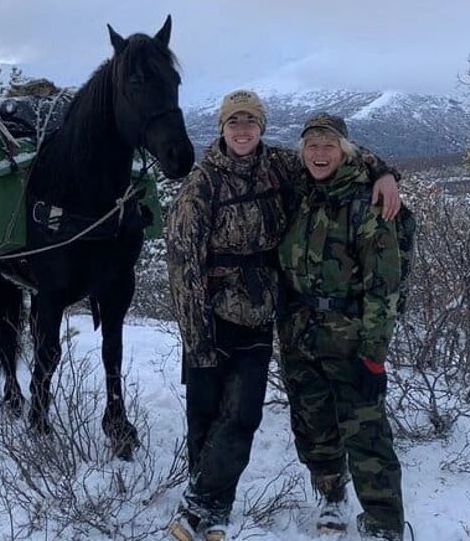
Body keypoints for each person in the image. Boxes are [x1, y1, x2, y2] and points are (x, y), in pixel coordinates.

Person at [165, 91, 398, 541]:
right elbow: (182, 267)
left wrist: (384, 172)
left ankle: (207, 503)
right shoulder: (202, 184)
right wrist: (197, 341)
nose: (242, 129)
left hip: (259, 316)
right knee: (205, 416)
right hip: (211, 319)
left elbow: (332, 153)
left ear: (263, 127)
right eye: (234, 122)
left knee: (242, 415)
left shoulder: (278, 165)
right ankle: (208, 504)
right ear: (222, 128)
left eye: (251, 121)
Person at [277, 112, 406, 540]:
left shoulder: (366, 200)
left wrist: (373, 353)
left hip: (350, 334)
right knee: (313, 425)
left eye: (328, 145)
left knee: (366, 431)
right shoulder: (297, 191)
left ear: (344, 150)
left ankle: (384, 522)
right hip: (300, 331)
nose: (319, 153)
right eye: (311, 145)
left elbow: (383, 283)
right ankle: (332, 495)